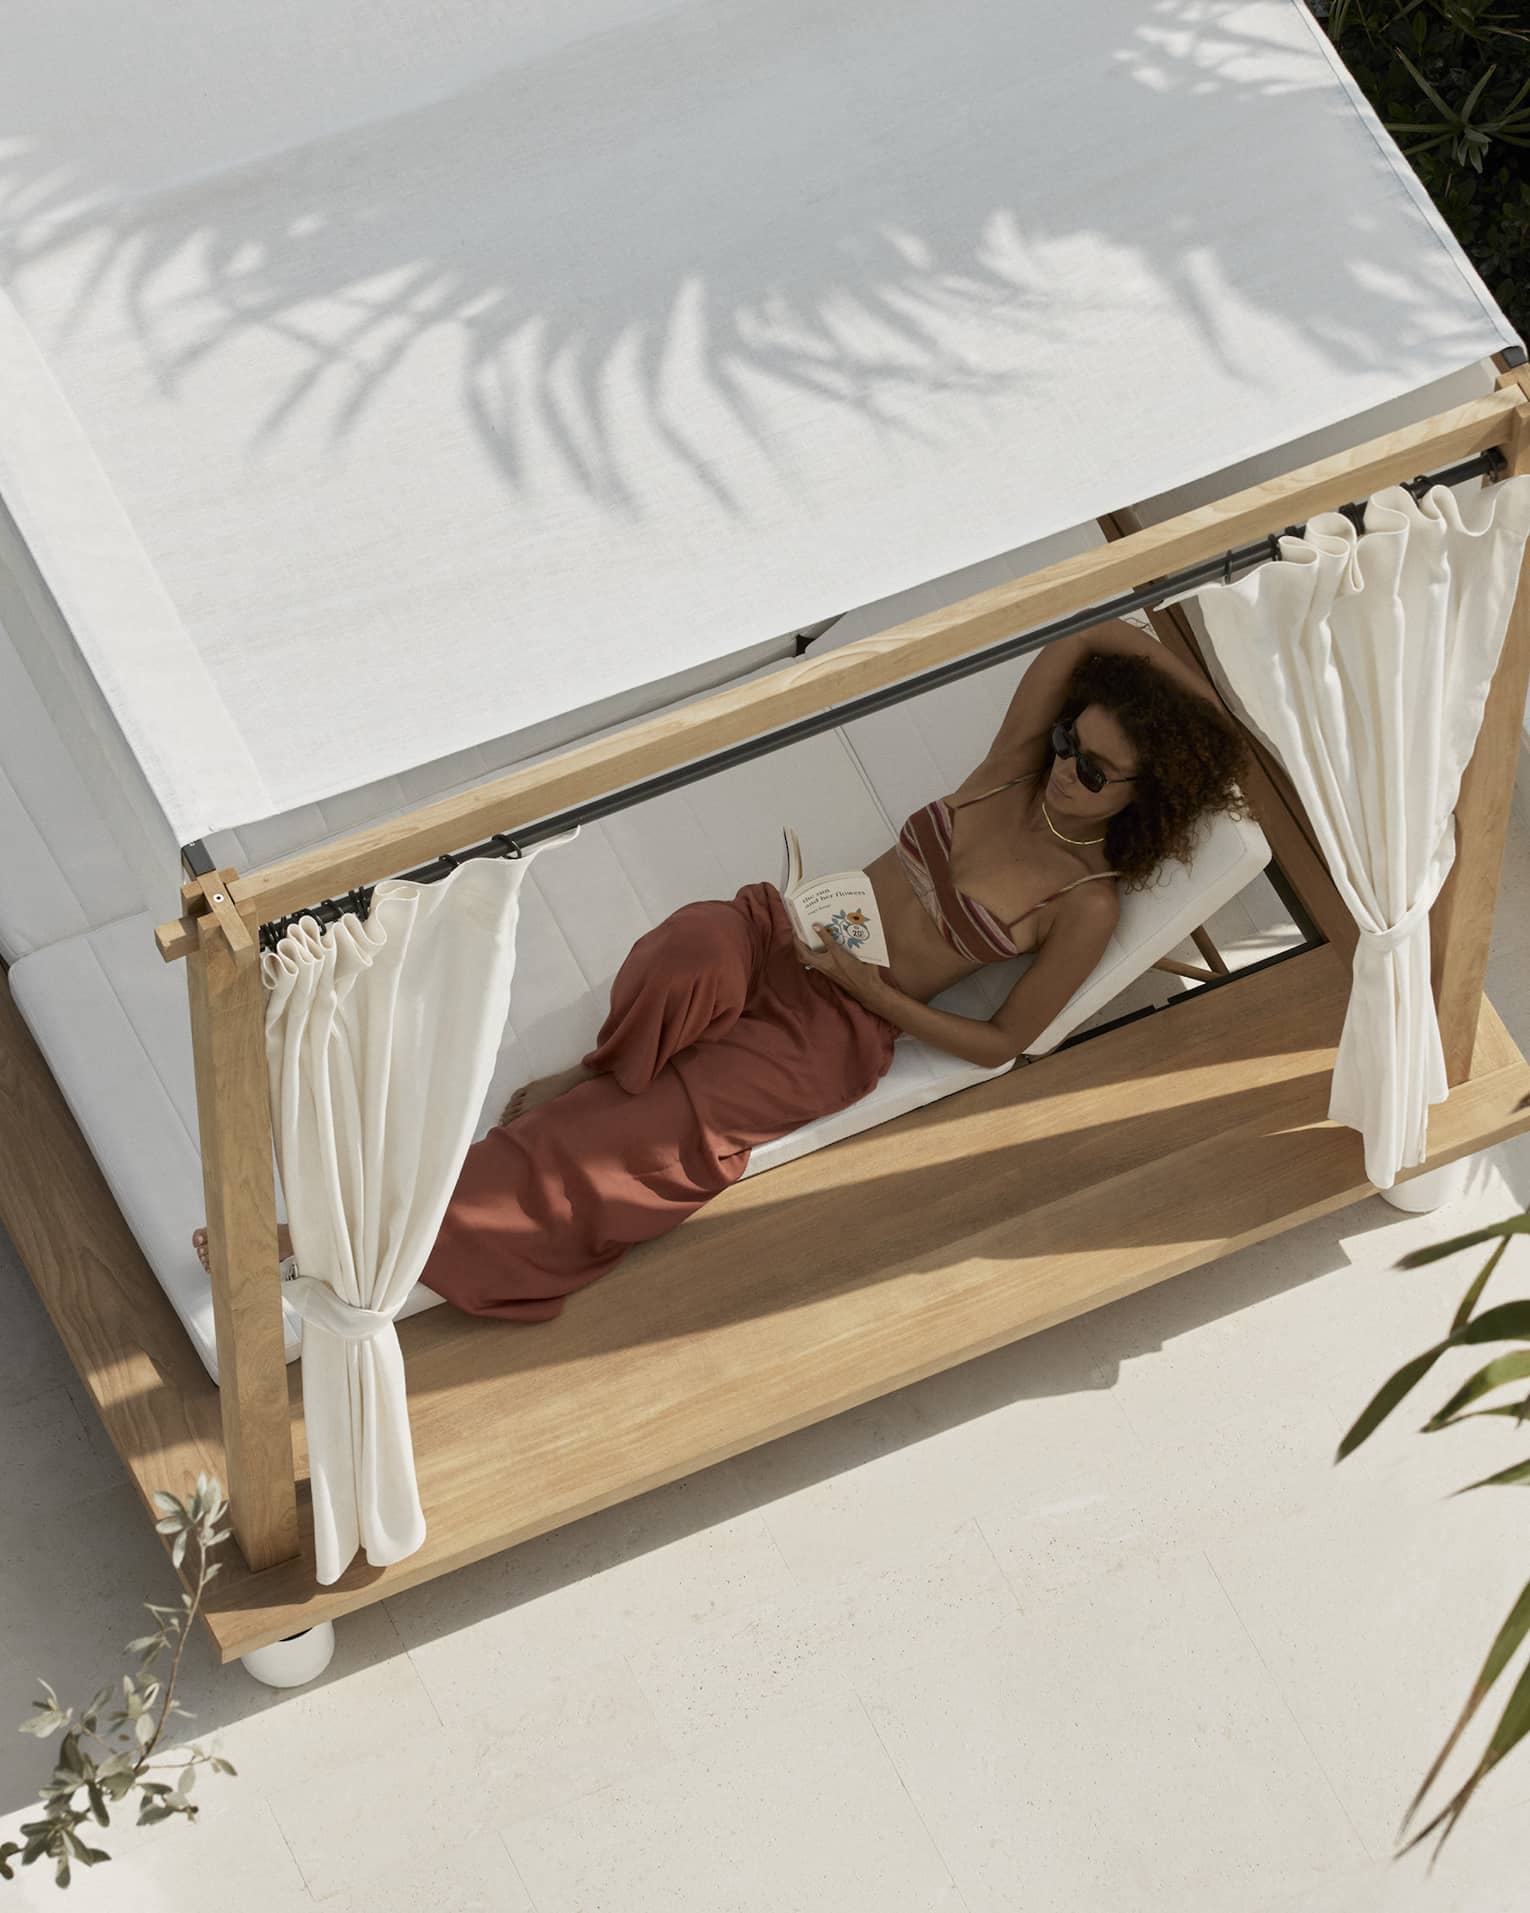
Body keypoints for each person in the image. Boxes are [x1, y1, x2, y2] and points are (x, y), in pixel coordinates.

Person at [193, 618, 1250, 1321]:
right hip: (785, 931)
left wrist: (870, 990)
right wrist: (1196, 711)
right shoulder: (1012, 771)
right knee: (686, 952)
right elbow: (1089, 639)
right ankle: (603, 1071)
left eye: (1095, 770)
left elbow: (1003, 1041)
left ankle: (345, 1236)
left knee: (627, 1138)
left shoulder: (1086, 901)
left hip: (839, 1027)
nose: (1066, 768)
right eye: (1069, 741)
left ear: (1139, 797)